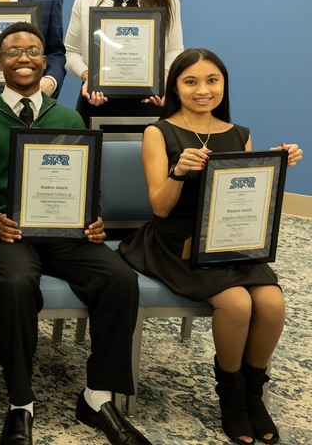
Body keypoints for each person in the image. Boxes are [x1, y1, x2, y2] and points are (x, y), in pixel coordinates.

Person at [0, 22, 150, 445]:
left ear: (45, 62)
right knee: (15, 283)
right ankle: (20, 403)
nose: (23, 57)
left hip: (66, 232)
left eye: (32, 51)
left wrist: (92, 217)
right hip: (8, 232)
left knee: (120, 279)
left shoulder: (68, 117)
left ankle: (98, 395)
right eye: (12, 51)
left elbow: (87, 180)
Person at [118, 48, 301, 445]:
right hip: (176, 242)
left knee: (272, 303)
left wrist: (277, 166)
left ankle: (254, 394)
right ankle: (232, 398)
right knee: (236, 303)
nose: (203, 90)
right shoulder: (158, 132)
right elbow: (161, 208)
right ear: (175, 87)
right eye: (191, 81)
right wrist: (179, 171)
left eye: (212, 80)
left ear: (224, 84)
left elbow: (251, 202)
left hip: (229, 240)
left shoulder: (240, 133)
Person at [64, 0, 184, 128]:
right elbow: (70, 51)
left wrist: (163, 78)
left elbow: (175, 49)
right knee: (96, 160)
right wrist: (88, 78)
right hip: (96, 102)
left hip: (150, 102)